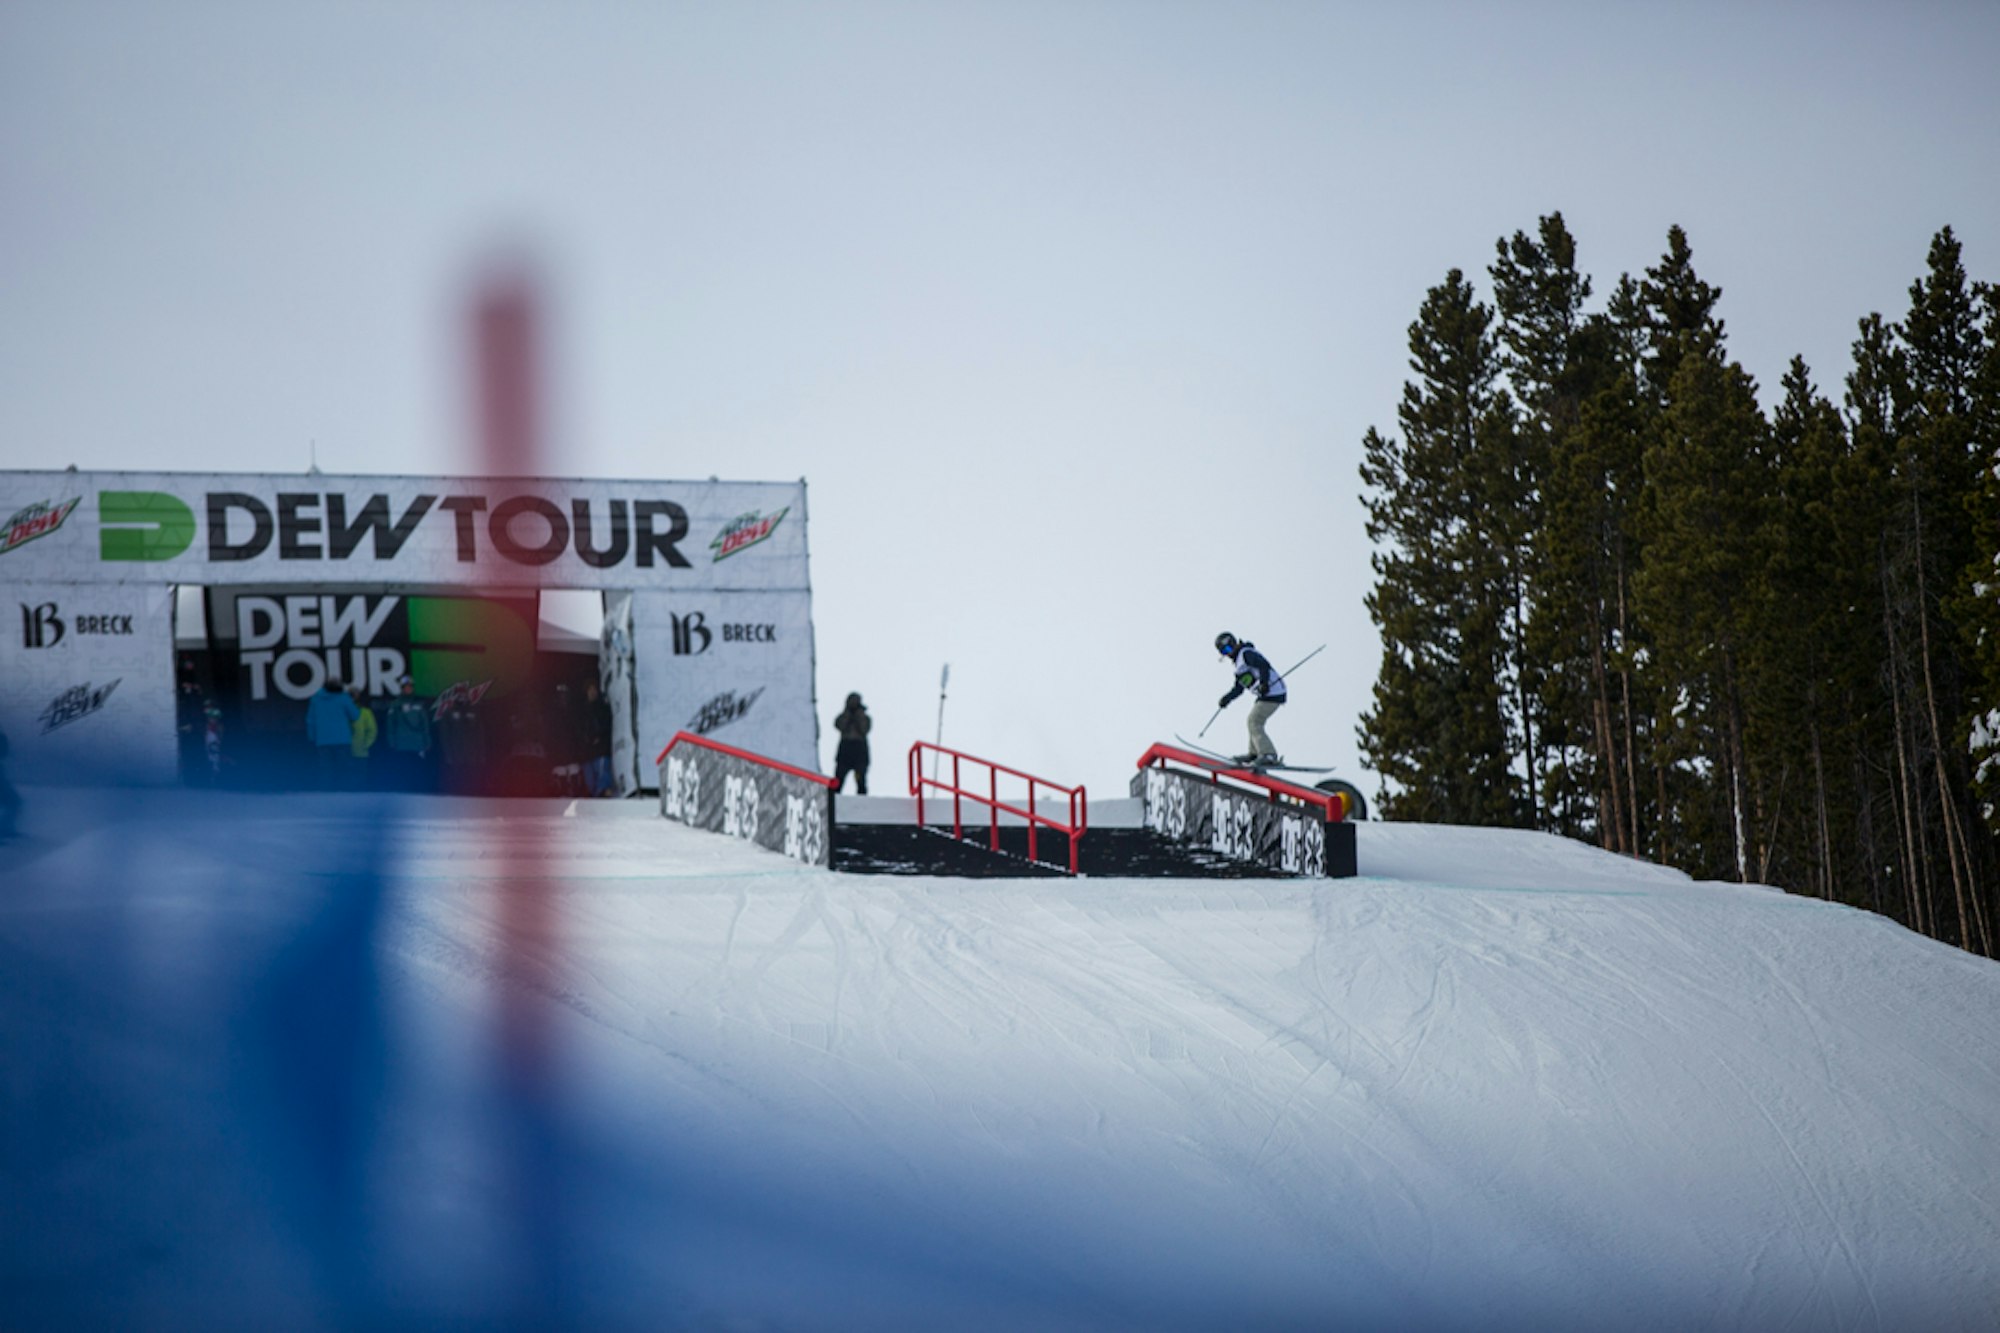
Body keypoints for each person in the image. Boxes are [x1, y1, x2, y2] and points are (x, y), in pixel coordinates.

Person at [1214, 631, 1286, 765]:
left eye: (1229, 648)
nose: (1228, 653)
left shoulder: (1246, 654)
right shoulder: (1239, 664)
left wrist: (1264, 683)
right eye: (1224, 652)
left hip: (1273, 692)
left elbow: (1263, 665)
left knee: (1254, 721)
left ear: (1234, 644)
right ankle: (1254, 753)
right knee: (1252, 721)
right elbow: (1239, 688)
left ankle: (1268, 754)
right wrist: (1227, 698)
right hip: (1266, 695)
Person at [381, 675, 434, 792]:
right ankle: (404, 790)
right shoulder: (395, 705)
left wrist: (427, 741)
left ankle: (418, 790)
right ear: (402, 688)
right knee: (403, 769)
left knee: (417, 770)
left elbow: (424, 724)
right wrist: (392, 741)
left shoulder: (419, 704)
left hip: (417, 744)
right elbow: (390, 725)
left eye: (410, 687)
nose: (408, 689)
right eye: (405, 687)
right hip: (401, 744)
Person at [305, 679, 361, 788]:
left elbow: (310, 720)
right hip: (342, 739)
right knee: (344, 768)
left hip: (323, 740)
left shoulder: (316, 699)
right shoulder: (343, 698)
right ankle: (345, 792)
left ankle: (326, 793)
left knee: (325, 769)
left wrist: (312, 737)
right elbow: (355, 715)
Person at [832, 692, 871, 794]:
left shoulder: (865, 717)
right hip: (846, 749)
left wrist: (859, 714)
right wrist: (848, 714)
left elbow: (864, 729)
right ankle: (833, 799)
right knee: (838, 779)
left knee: (861, 780)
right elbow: (839, 725)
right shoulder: (844, 716)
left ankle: (862, 800)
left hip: (859, 750)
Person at [581, 679, 614, 797]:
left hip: (600, 749)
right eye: (589, 689)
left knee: (602, 776)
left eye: (594, 689)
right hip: (587, 751)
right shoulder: (581, 710)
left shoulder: (602, 707)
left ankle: (603, 793)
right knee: (590, 781)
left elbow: (605, 725)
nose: (592, 692)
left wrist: (598, 736)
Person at [349, 685, 379, 787]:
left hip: (361, 752)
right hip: (345, 752)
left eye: (354, 695)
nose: (353, 698)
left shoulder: (365, 712)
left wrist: (365, 744)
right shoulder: (342, 712)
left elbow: (372, 731)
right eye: (350, 695)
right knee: (346, 778)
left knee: (360, 780)